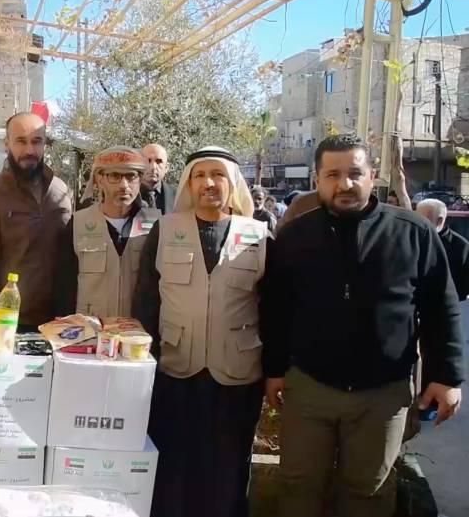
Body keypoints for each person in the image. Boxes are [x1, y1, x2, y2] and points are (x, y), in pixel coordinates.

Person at [261, 135, 464, 517]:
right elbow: (275, 309)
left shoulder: (412, 232)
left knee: (369, 492)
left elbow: (441, 307)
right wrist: (273, 370)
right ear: (317, 180)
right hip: (310, 389)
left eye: (355, 173)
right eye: (332, 174)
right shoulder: (294, 237)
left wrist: (447, 376)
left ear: (372, 175)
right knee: (298, 485)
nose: (345, 184)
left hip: (383, 394)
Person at [133, 146, 270, 517]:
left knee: (228, 469)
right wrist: (145, 362)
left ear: (232, 182)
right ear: (189, 183)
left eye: (218, 175)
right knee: (174, 465)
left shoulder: (258, 235)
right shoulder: (165, 230)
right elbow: (146, 302)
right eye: (200, 175)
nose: (209, 183)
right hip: (176, 370)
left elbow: (273, 307)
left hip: (236, 376)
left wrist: (274, 370)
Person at [0, 112, 72, 333]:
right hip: (10, 323)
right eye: (21, 141)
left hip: (61, 323)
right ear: (6, 144)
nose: (29, 150)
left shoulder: (61, 192)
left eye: (36, 141)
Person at [53, 146, 159, 318]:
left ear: (140, 179)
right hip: (90, 328)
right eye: (114, 176)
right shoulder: (78, 224)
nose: (124, 185)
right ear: (99, 179)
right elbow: (64, 287)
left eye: (131, 176)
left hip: (136, 331)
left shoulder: (155, 225)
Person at [418, 198, 469, 300]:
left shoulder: (461, 247)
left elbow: (464, 286)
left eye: (423, 220)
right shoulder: (413, 239)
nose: (418, 224)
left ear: (439, 220)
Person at [140, 143, 177, 213]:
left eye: (159, 161)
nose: (153, 167)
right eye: (148, 161)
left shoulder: (178, 197)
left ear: (166, 167)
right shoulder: (126, 194)